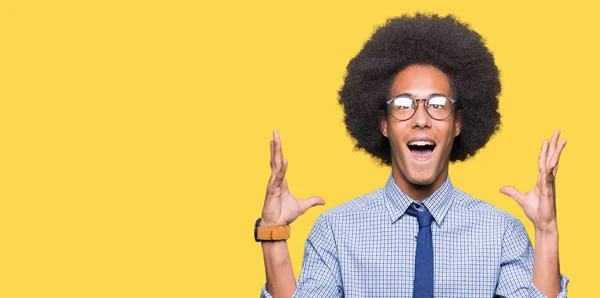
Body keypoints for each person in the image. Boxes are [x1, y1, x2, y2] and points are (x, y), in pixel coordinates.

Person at [255, 13, 569, 297]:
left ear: (457, 123)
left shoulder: (501, 233)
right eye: (404, 105)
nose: (421, 118)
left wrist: (546, 230)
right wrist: (273, 237)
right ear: (384, 125)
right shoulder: (336, 232)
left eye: (437, 104)